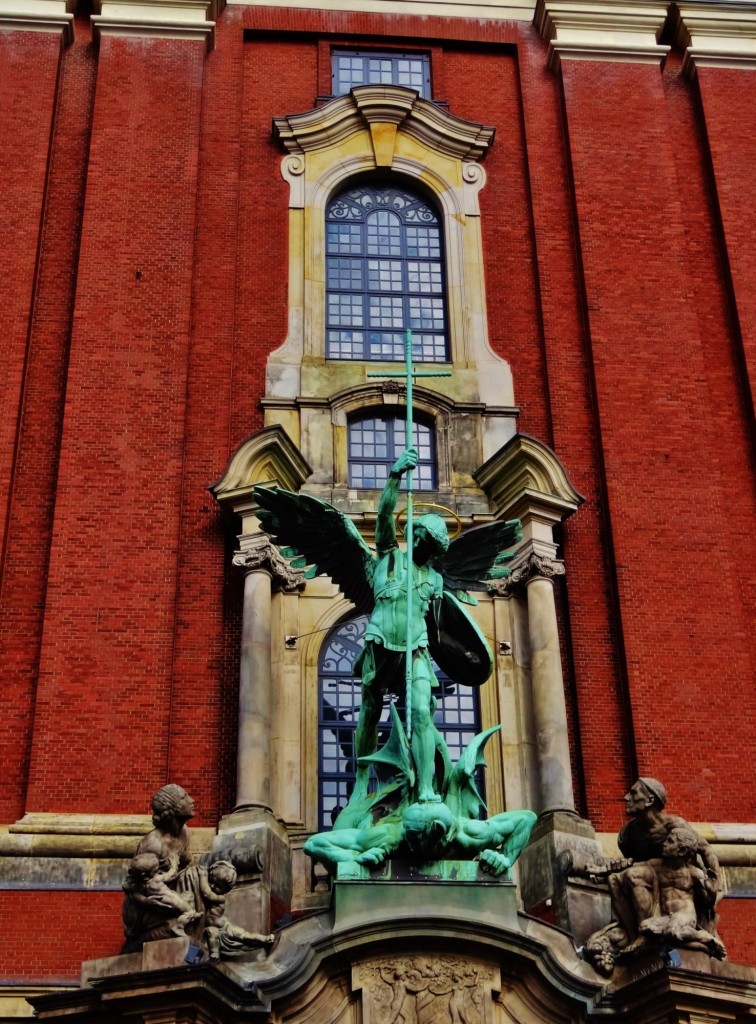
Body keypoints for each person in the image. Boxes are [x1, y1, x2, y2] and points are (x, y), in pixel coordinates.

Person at [352, 447, 455, 804]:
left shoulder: (435, 581)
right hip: (380, 643)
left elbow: (448, 631)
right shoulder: (388, 557)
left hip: (416, 648)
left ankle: (426, 789)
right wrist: (395, 476)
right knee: (370, 708)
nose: (423, 544)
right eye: (422, 537)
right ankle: (361, 777)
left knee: (422, 713)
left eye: (431, 543)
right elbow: (383, 514)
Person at [638, 825, 726, 958]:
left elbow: (706, 903)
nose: (664, 844)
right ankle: (703, 942)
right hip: (668, 917)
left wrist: (712, 892)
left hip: (685, 916)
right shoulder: (658, 866)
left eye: (670, 841)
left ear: (682, 850)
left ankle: (703, 937)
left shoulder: (694, 873)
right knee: (644, 927)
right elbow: (633, 866)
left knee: (672, 931)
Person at [193, 861, 275, 961]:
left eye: (218, 886)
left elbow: (206, 893)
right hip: (215, 929)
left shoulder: (220, 898)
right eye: (211, 881)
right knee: (212, 932)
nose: (212, 886)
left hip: (225, 927)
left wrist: (203, 876)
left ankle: (265, 939)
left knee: (245, 936)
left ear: (225, 891)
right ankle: (215, 957)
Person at [122, 852, 200, 939]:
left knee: (188, 896)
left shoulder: (139, 885)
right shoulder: (156, 880)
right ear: (144, 876)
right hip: (171, 901)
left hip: (163, 903)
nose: (158, 871)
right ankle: (180, 926)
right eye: (155, 871)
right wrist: (174, 864)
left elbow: (132, 892)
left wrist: (145, 900)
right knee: (189, 911)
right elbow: (172, 875)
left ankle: (189, 918)